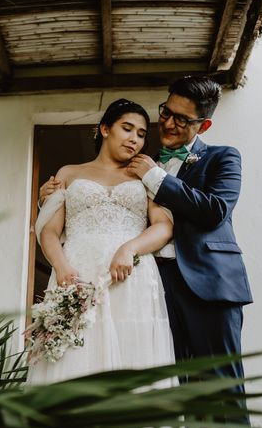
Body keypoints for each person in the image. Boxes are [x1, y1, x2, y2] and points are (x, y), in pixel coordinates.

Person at [39, 77, 252, 428]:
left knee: (221, 390)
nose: (168, 124)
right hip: (156, 287)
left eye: (182, 120)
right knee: (172, 389)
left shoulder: (220, 157)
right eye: (166, 112)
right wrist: (49, 197)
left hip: (208, 287)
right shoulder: (124, 164)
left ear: (204, 125)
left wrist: (154, 176)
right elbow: (58, 221)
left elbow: (215, 210)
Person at [28, 99, 175, 385]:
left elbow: (163, 226)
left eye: (142, 134)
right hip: (78, 272)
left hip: (130, 274)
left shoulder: (145, 173)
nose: (134, 139)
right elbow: (48, 231)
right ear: (105, 129)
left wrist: (129, 248)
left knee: (133, 349)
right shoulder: (69, 172)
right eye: (127, 129)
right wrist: (61, 268)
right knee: (76, 353)